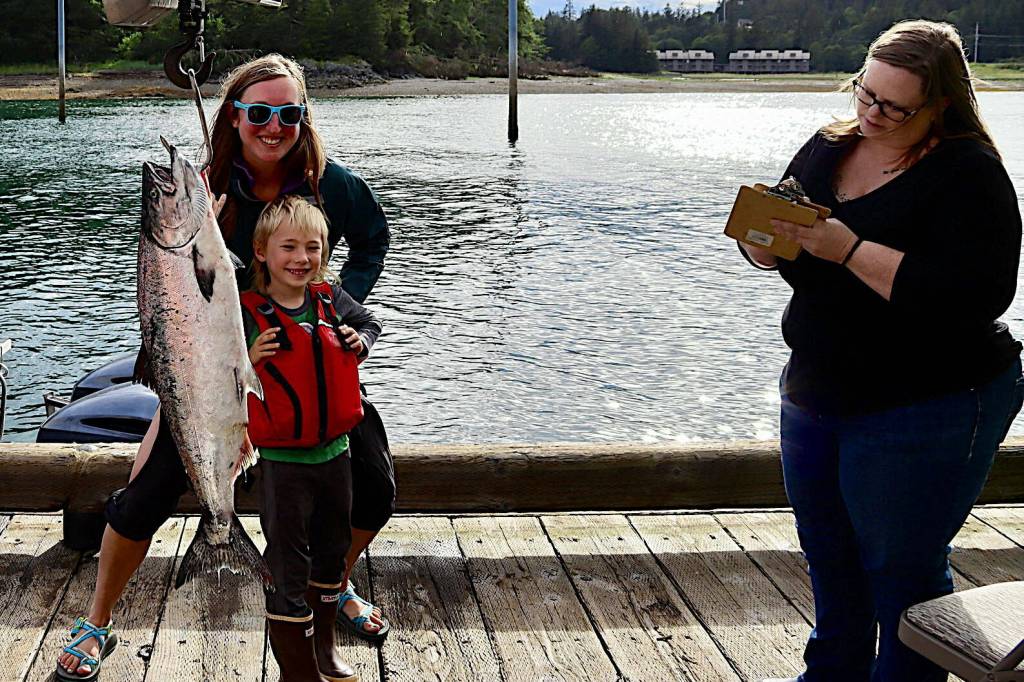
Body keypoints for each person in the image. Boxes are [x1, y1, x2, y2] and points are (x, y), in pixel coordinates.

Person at [57, 53, 393, 680]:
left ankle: (331, 583)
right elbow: (167, 301)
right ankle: (96, 619)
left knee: (375, 488)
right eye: (258, 112)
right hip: (212, 376)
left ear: (303, 117)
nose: (273, 126)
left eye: (287, 113)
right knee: (143, 497)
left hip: (308, 373)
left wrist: (340, 307)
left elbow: (374, 237)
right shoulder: (203, 191)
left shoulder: (330, 184)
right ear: (233, 118)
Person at [739, 21, 1024, 682]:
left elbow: (974, 297)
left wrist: (850, 250)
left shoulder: (969, 174)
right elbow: (787, 240)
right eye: (865, 93)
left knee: (901, 577)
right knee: (831, 560)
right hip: (816, 390)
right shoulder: (829, 146)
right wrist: (761, 243)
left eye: (893, 107)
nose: (871, 113)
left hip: (931, 401)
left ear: (939, 106)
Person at [243, 194, 382, 682]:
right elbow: (218, 368)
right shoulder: (248, 312)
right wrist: (250, 356)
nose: (302, 258)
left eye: (313, 247)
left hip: (336, 457)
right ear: (262, 252)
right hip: (283, 466)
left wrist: (359, 342)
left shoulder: (330, 298)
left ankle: (324, 654)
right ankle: (297, 673)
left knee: (331, 555)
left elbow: (370, 323)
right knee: (288, 567)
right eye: (289, 248)